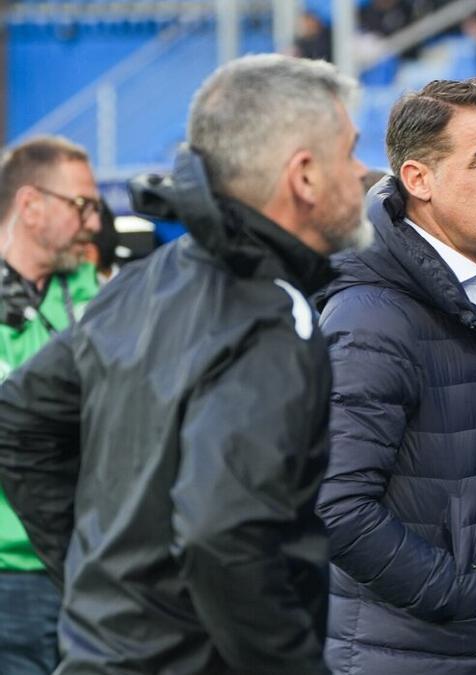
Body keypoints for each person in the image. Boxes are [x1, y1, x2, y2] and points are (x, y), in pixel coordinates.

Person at [0, 53, 370, 674]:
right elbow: (222, 535)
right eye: (350, 151)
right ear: (304, 176)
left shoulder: (142, 283)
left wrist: (100, 582)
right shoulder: (272, 318)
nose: (362, 173)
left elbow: (17, 419)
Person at [316, 78, 476, 674]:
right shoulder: (370, 319)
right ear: (419, 180)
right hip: (422, 653)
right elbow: (333, 507)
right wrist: (456, 594)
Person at [0, 135, 101, 675]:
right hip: (9, 573)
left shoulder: (106, 298)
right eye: (80, 204)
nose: (92, 222)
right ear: (31, 205)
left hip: (90, 568)